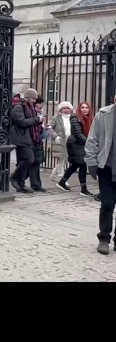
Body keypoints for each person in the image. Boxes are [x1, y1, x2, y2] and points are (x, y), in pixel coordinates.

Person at [84, 95, 116, 254]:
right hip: (107, 167)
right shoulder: (103, 115)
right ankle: (104, 238)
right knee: (108, 204)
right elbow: (92, 140)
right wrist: (91, 162)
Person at [8, 88, 46, 193]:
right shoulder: (18, 107)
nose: (34, 101)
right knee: (29, 159)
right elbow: (21, 122)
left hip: (28, 138)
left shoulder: (30, 108)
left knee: (26, 160)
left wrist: (39, 123)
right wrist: (36, 120)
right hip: (20, 138)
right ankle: (14, 177)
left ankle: (21, 185)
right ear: (28, 97)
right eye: (33, 98)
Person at [56, 101, 94, 196]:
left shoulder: (89, 119)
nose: (85, 109)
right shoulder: (75, 118)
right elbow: (78, 133)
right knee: (82, 164)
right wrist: (88, 142)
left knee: (76, 164)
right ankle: (83, 189)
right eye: (82, 107)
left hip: (82, 144)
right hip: (75, 143)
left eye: (86, 108)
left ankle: (62, 182)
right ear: (79, 109)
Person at [48, 101, 73, 184]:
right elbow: (49, 127)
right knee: (61, 160)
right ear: (61, 109)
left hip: (70, 141)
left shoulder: (73, 118)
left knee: (65, 159)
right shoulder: (56, 118)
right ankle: (60, 178)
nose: (66, 110)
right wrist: (55, 136)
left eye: (68, 108)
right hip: (59, 141)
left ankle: (54, 174)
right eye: (64, 108)